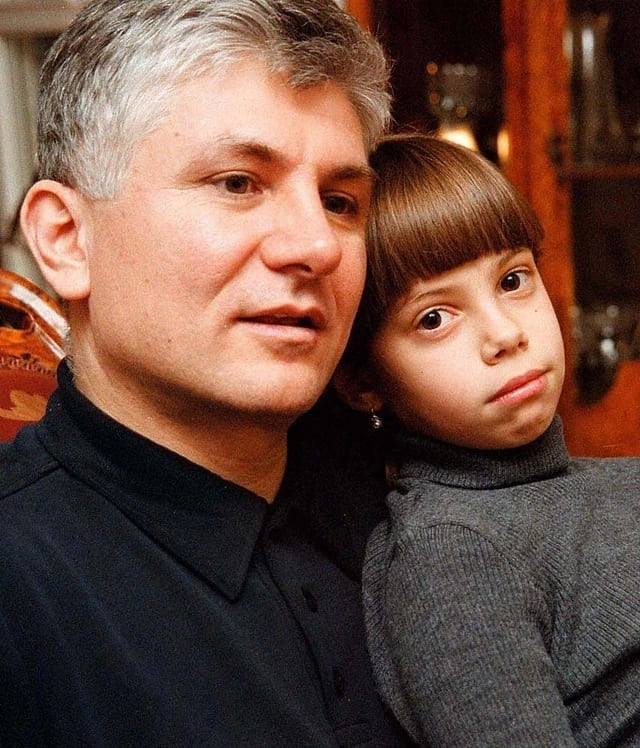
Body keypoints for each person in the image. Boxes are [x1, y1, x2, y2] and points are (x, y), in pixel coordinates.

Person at [0, 1, 413, 744]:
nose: (317, 245)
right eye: (237, 184)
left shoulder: (422, 505)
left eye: (340, 201)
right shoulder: (21, 586)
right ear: (66, 239)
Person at [335, 132, 640, 746]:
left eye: (513, 280)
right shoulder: (452, 551)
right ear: (365, 381)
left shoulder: (620, 482)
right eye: (434, 318)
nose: (504, 333)